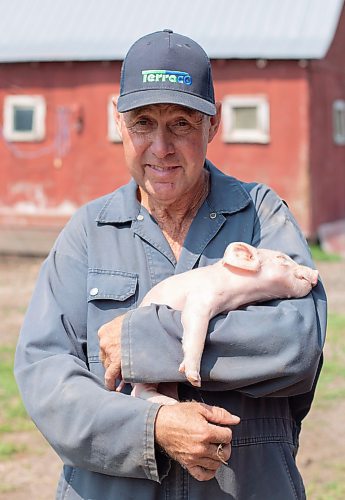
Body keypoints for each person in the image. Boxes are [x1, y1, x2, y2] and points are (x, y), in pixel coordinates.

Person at [14, 29, 327, 499]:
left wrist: (146, 343)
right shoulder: (89, 233)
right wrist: (153, 426)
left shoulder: (261, 217)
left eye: (181, 123)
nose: (160, 147)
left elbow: (297, 343)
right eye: (143, 122)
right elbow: (45, 377)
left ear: (213, 125)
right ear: (119, 124)